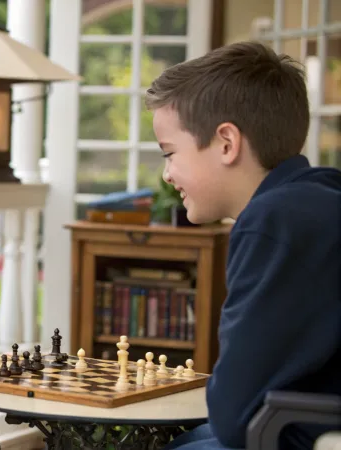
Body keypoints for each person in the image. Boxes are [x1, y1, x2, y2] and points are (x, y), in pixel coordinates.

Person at [145, 41, 341, 450]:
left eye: (170, 153)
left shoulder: (273, 223)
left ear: (226, 143)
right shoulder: (320, 196)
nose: (167, 175)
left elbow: (233, 416)